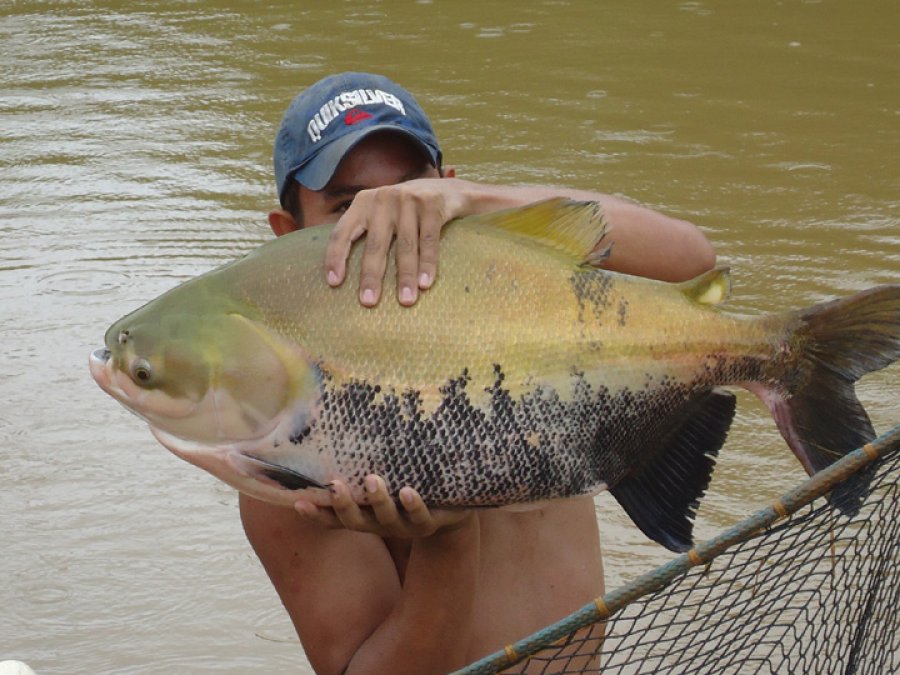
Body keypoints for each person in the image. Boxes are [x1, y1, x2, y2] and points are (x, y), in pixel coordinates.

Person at [240, 72, 716, 674]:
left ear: (447, 190)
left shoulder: (528, 306)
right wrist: (446, 540)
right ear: (288, 236)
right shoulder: (287, 440)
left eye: (413, 194)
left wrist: (478, 204)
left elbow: (692, 259)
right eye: (347, 207)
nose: (392, 226)